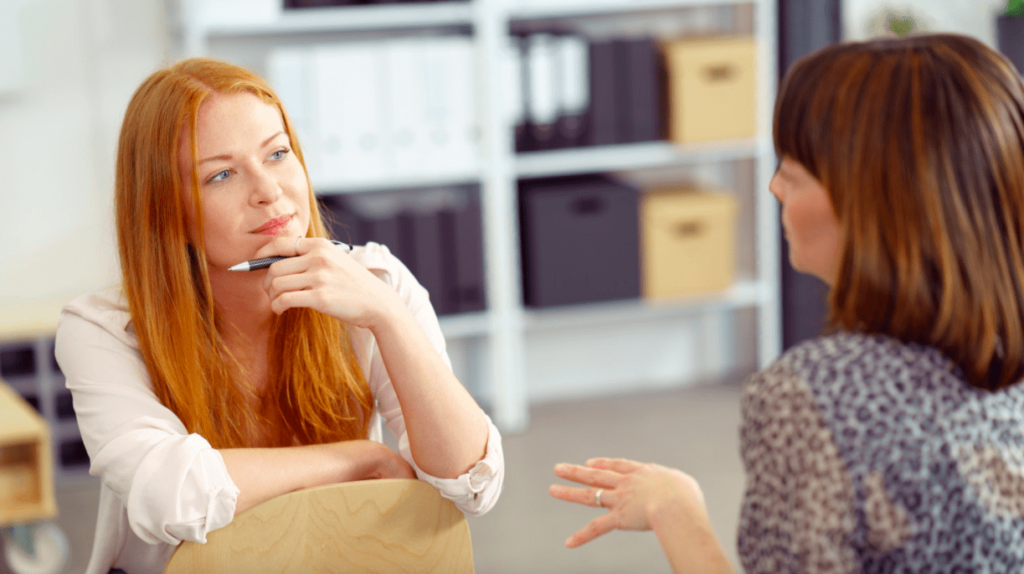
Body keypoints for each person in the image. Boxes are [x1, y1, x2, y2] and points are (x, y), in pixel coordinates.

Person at [550, 32, 1024, 573]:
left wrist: (674, 508)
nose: (775, 187)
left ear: (871, 207)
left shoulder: (810, 400)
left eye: (794, 171)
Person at [54, 57, 504, 574]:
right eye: (221, 174)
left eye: (278, 153)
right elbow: (167, 495)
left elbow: (474, 482)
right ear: (165, 210)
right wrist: (361, 459)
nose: (268, 190)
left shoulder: (375, 282)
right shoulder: (102, 329)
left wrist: (387, 316)